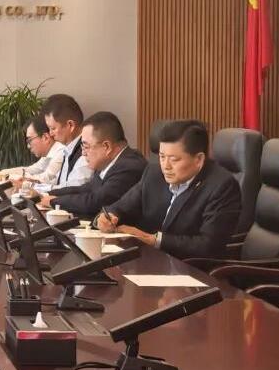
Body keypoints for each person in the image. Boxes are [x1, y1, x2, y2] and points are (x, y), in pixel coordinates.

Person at [99, 120, 242, 260]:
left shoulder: (222, 186)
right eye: (162, 157)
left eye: (174, 159)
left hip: (191, 268)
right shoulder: (153, 173)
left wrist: (153, 240)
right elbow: (120, 207)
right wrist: (109, 217)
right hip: (149, 260)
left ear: (198, 159)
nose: (165, 166)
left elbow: (208, 246)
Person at [41, 111, 146, 218]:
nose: (83, 153)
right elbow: (86, 189)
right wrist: (48, 194)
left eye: (86, 147)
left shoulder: (130, 166)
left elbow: (95, 202)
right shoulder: (108, 162)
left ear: (107, 147)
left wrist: (54, 201)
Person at [0, 114, 65, 189]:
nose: (28, 146)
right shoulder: (49, 154)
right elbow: (29, 170)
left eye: (29, 140)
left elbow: (43, 179)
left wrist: (1, 176)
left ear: (45, 138)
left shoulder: (61, 152)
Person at [42, 94, 92, 188]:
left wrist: (33, 187)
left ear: (70, 125)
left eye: (53, 128)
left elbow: (71, 189)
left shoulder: (85, 152)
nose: (50, 134)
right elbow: (61, 183)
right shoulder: (68, 148)